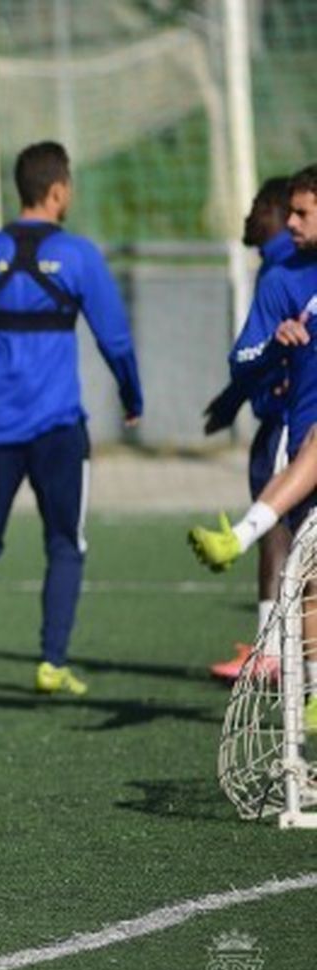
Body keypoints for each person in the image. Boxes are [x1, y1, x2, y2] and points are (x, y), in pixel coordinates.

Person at [0, 141, 143, 696]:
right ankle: (51, 661)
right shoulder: (77, 256)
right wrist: (131, 393)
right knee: (65, 543)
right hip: (57, 426)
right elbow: (114, 336)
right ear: (56, 191)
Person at [188, 164, 317, 574]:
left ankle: (241, 537)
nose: (289, 223)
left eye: (301, 213)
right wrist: (273, 349)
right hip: (299, 434)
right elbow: (242, 360)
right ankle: (273, 639)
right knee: (311, 582)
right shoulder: (281, 279)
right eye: (288, 212)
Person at [197, 176, 298, 681]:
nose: (249, 215)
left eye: (260, 205)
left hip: (289, 421)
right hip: (281, 416)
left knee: (278, 525)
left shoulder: (285, 263)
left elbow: (264, 350)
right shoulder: (280, 263)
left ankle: (272, 650)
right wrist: (233, 400)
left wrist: (266, 382)